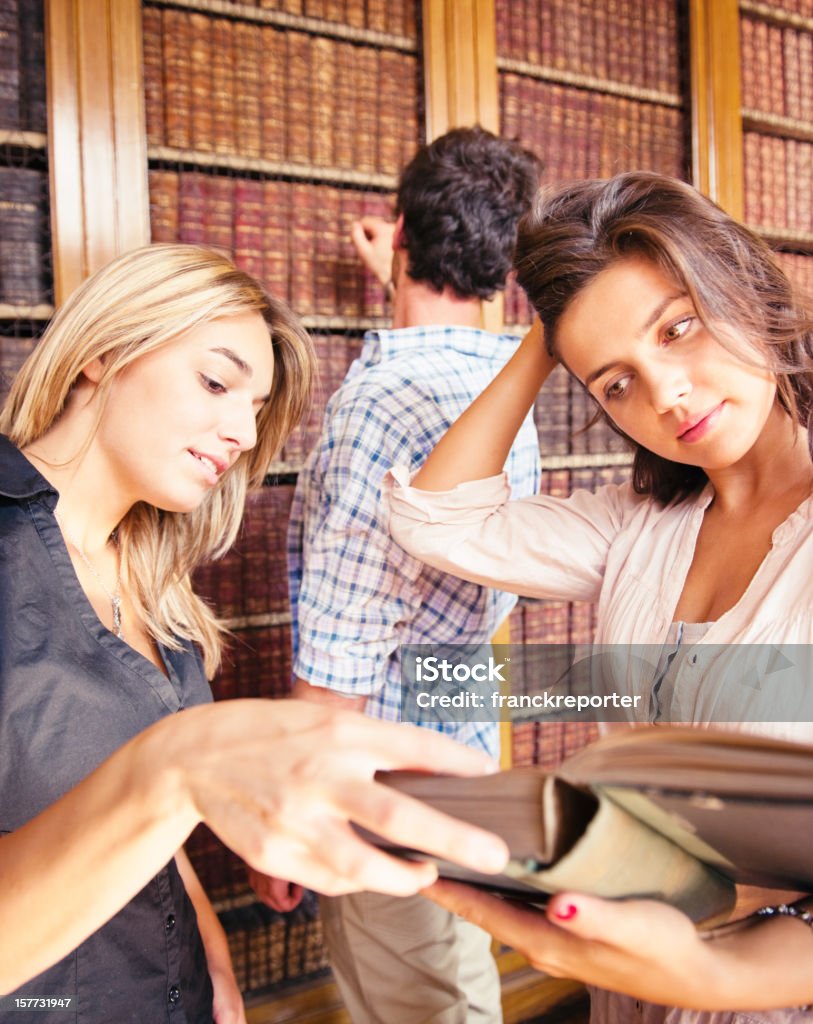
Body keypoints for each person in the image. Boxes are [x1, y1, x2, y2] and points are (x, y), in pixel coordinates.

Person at [0, 242, 512, 1022]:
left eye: (255, 409)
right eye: (215, 382)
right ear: (104, 351)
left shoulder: (155, 587)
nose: (240, 432)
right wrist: (172, 764)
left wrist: (214, 970)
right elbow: (159, 780)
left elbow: (156, 834)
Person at [385, 172, 813, 1022]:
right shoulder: (637, 528)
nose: (665, 394)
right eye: (614, 383)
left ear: (743, 282)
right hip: (626, 980)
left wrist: (711, 976)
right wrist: (547, 339)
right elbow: (435, 520)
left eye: (678, 328)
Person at [250, 127, 542, 1023]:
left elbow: (343, 650)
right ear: (505, 267)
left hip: (377, 781)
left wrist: (279, 828)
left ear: (402, 229)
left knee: (420, 1003)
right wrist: (410, 265)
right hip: (461, 753)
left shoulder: (380, 403)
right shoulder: (503, 395)